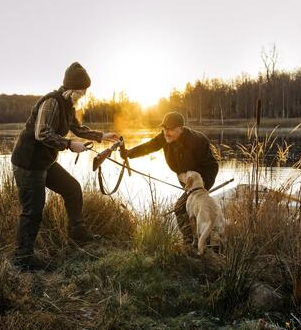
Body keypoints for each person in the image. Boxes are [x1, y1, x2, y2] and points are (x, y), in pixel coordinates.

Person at [11, 62, 119, 270]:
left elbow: (77, 128)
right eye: (82, 91)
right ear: (71, 89)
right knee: (32, 211)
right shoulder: (52, 102)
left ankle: (77, 232)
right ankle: (22, 260)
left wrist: (101, 136)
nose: (84, 95)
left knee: (72, 188)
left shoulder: (68, 105)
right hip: (28, 164)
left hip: (44, 162)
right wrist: (69, 145)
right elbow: (41, 133)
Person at [121, 111, 219, 244]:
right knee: (187, 210)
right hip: (186, 182)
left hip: (200, 182)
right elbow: (149, 146)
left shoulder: (197, 141)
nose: (167, 132)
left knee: (181, 208)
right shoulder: (164, 137)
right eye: (164, 128)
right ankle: (194, 241)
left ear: (181, 129)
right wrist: (129, 153)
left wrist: (201, 188)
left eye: (171, 129)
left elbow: (212, 166)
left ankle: (195, 242)